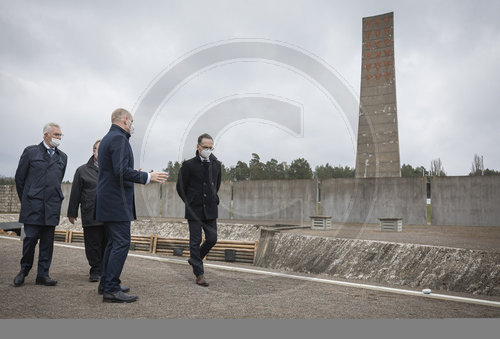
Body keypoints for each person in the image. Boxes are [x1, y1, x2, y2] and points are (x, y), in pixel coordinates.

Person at [96, 108, 168, 303]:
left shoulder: (107, 138)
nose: (132, 126)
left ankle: (106, 283)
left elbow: (115, 170)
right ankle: (111, 288)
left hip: (108, 200)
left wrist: (131, 172)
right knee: (121, 243)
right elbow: (120, 171)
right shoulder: (119, 139)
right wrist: (147, 176)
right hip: (116, 202)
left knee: (112, 243)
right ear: (126, 120)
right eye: (132, 121)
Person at [13, 122, 67, 287]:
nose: (58, 138)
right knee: (29, 240)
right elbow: (19, 178)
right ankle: (24, 271)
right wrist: (28, 199)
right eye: (56, 135)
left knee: (47, 242)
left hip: (51, 206)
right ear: (46, 135)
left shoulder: (62, 157)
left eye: (60, 135)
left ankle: (43, 274)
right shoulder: (31, 152)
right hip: (33, 205)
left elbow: (57, 180)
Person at [176, 133, 221, 287]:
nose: (208, 150)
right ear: (198, 147)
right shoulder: (188, 165)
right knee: (194, 242)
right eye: (205, 147)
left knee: (212, 238)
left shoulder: (216, 164)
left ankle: (195, 259)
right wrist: (189, 202)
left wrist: (213, 197)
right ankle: (199, 274)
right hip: (194, 209)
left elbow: (217, 184)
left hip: (210, 209)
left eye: (210, 147)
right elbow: (180, 187)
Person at [67, 139, 106, 282]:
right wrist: (72, 213)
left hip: (109, 214)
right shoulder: (82, 170)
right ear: (94, 151)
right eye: (99, 150)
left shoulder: (112, 169)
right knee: (93, 244)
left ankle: (106, 270)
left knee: (107, 243)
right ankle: (95, 270)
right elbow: (75, 193)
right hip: (91, 213)